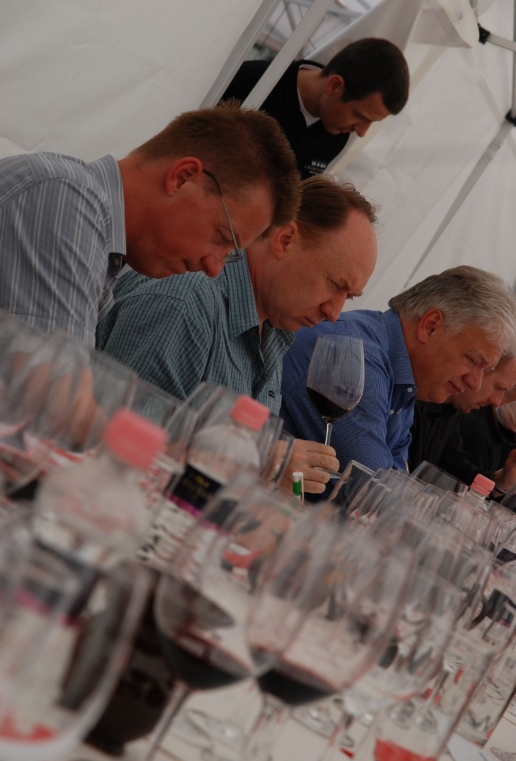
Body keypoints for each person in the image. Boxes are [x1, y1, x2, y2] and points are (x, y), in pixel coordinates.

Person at [97, 176, 377, 492]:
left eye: (349, 297)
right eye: (335, 285)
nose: (335, 312)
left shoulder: (274, 330)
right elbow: (115, 449)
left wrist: (278, 494)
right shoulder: (186, 300)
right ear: (285, 239)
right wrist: (259, 464)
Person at [0, 102, 300, 345]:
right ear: (182, 178)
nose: (213, 268)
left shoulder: (96, 238)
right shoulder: (68, 199)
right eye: (222, 237)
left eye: (229, 254)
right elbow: (52, 390)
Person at [281, 267, 516, 476]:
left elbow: (395, 478)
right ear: (431, 326)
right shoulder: (359, 356)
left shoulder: (405, 380)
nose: (475, 383)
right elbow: (367, 489)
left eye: (486, 370)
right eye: (472, 361)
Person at [222, 38, 409, 178]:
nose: (361, 132)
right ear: (334, 86)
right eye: (359, 116)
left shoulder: (337, 135)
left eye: (372, 123)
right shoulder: (250, 83)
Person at [409, 357, 516, 493]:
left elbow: (456, 469)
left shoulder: (450, 410)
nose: (497, 402)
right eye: (497, 387)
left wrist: (501, 481)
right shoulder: (416, 398)